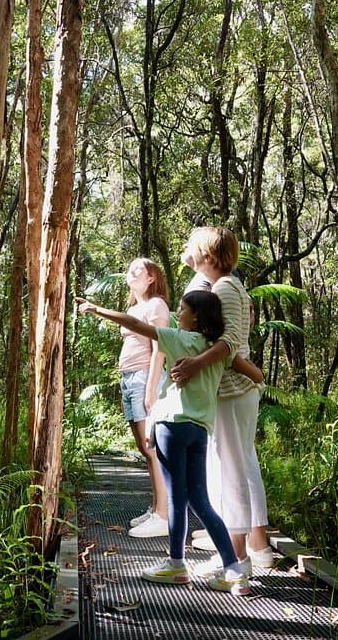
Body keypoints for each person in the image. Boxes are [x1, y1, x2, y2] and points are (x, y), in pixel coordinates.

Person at [75, 291, 255, 595]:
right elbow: (255, 374)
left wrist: (97, 309)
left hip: (172, 426)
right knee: (200, 501)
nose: (177, 314)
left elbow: (135, 323)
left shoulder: (178, 339)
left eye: (182, 310)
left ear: (195, 317)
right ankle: (234, 570)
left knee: (176, 499)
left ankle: (176, 565)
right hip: (199, 430)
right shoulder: (218, 350)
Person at [172, 227, 275, 573]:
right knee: (241, 466)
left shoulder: (226, 287)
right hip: (234, 390)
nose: (189, 250)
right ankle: (251, 550)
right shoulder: (223, 286)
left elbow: (229, 342)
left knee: (230, 470)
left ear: (210, 254)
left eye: (194, 245)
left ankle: (237, 556)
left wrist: (194, 364)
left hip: (232, 390)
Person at [117, 258, 171, 538]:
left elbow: (159, 348)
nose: (132, 271)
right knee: (143, 446)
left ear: (152, 277)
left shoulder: (156, 305)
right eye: (131, 268)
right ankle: (156, 507)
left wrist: (151, 389)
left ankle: (164, 515)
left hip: (143, 379)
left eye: (140, 269)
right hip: (128, 379)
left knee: (152, 447)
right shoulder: (134, 308)